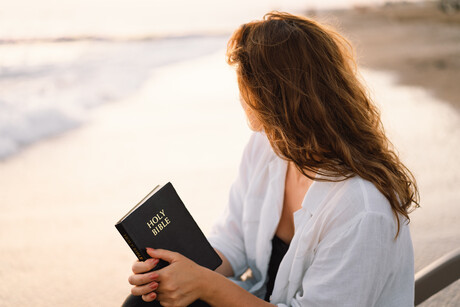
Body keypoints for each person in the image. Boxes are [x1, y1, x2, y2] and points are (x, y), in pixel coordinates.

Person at [122, 11, 419, 307]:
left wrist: (206, 285)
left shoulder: (361, 208)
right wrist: (175, 271)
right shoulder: (268, 146)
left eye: (244, 84)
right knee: (147, 302)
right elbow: (231, 242)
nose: (240, 96)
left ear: (273, 95)